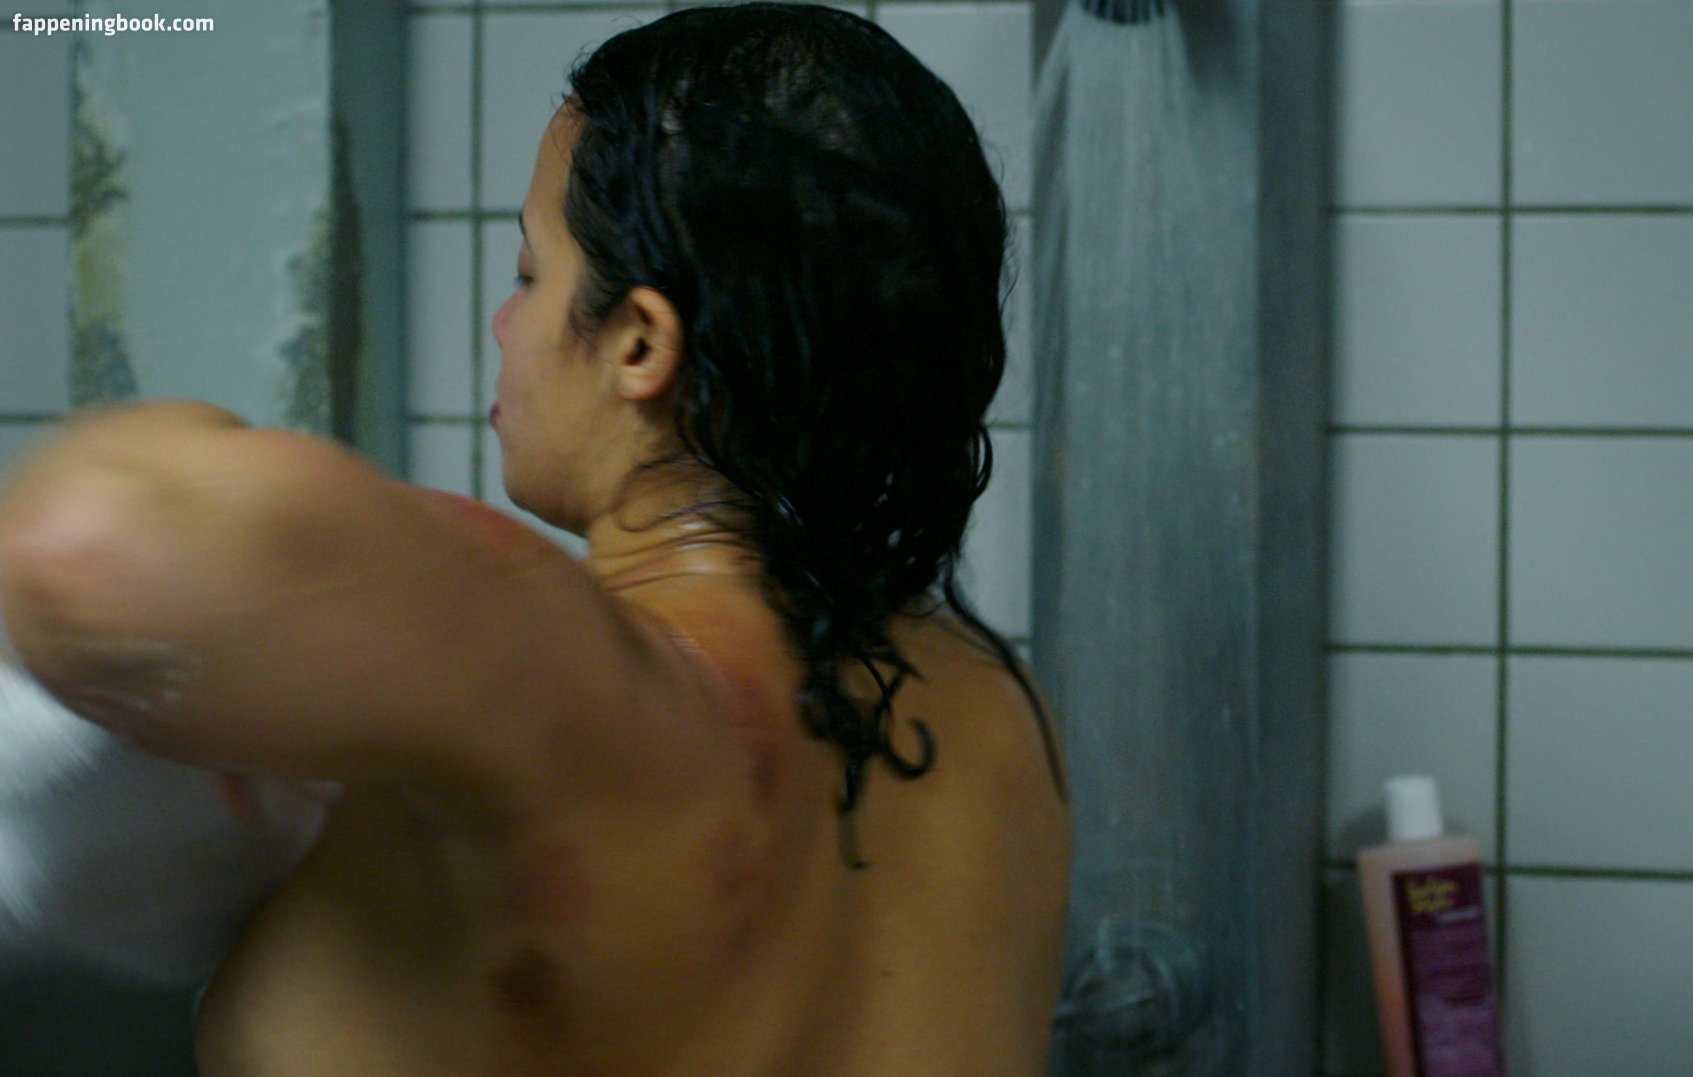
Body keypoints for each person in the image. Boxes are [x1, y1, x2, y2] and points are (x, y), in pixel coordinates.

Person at [0, 3, 1070, 1073]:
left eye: (530, 274)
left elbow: (91, 545)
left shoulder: (579, 686)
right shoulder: (1000, 724)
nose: (505, 325)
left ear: (639, 343)